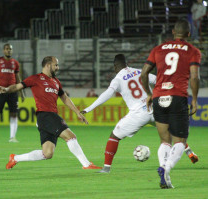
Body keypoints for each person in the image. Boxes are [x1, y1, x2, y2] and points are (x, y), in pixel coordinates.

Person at [81, 54, 198, 174]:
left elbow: (107, 94)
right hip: (154, 108)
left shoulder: (118, 79)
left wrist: (89, 108)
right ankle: (190, 153)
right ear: (126, 63)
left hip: (138, 114)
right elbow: (160, 81)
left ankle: (106, 168)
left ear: (115, 66)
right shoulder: (139, 72)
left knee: (114, 136)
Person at [0, 56, 101, 170]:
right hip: (45, 115)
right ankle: (86, 164)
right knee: (70, 137)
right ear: (47, 65)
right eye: (55, 65)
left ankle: (15, 158)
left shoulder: (56, 81)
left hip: (47, 118)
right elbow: (18, 86)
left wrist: (77, 112)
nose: (58, 67)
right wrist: (6, 89)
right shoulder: (35, 78)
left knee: (47, 153)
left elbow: (64, 98)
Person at [141, 19, 201, 189]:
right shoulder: (192, 51)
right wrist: (195, 99)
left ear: (173, 32)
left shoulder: (158, 49)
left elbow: (144, 73)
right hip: (177, 97)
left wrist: (149, 94)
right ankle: (166, 169)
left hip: (159, 97)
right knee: (180, 140)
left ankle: (163, 168)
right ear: (189, 34)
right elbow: (195, 77)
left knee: (164, 140)